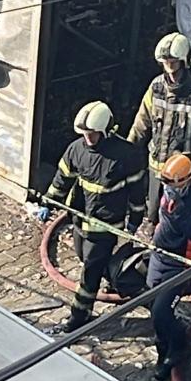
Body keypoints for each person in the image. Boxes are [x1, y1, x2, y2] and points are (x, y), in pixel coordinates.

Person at [37, 101, 146, 333]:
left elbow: (137, 191)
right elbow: (62, 179)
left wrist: (135, 220)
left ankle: (80, 315)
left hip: (105, 225)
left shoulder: (125, 156)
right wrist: (48, 202)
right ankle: (122, 278)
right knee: (85, 258)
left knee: (89, 272)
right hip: (80, 220)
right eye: (84, 134)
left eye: (92, 134)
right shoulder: (76, 150)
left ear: (106, 131)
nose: (88, 138)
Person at [128, 32, 191, 224]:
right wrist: (128, 151)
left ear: (184, 61)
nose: (169, 65)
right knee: (153, 214)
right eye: (165, 61)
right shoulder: (156, 88)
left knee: (177, 216)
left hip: (182, 172)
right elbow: (141, 123)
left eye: (173, 61)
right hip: (157, 166)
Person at [146, 153, 191, 381]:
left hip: (180, 263)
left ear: (186, 181)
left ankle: (178, 346)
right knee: (153, 306)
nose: (167, 188)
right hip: (159, 255)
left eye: (171, 184)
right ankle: (162, 347)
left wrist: (179, 211)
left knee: (161, 311)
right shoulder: (166, 191)